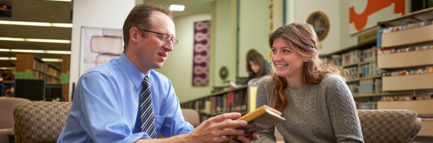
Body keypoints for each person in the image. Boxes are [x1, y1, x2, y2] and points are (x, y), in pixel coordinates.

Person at [58, 3, 258, 143]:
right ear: (135, 34)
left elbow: (184, 133)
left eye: (173, 40)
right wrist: (194, 138)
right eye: (163, 37)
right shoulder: (97, 81)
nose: (170, 47)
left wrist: (225, 137)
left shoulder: (162, 85)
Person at [255, 23, 364, 143]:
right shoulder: (267, 86)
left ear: (306, 55)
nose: (276, 58)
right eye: (274, 51)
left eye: (285, 51)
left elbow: (351, 141)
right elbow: (262, 134)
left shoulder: (332, 86)